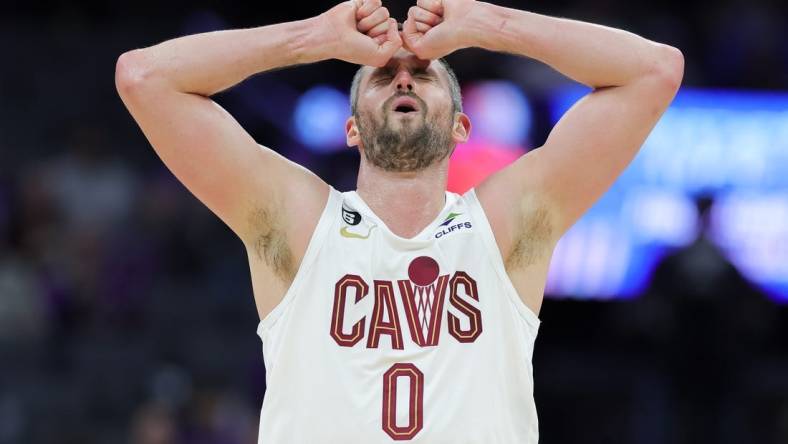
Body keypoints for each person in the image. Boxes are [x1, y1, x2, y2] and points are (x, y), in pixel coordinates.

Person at [115, 0, 683, 442]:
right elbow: (144, 78)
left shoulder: (506, 226)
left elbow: (655, 70)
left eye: (424, 74)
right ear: (352, 128)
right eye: (383, 76)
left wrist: (488, 24)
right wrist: (312, 38)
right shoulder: (297, 220)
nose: (404, 79)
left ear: (462, 127)